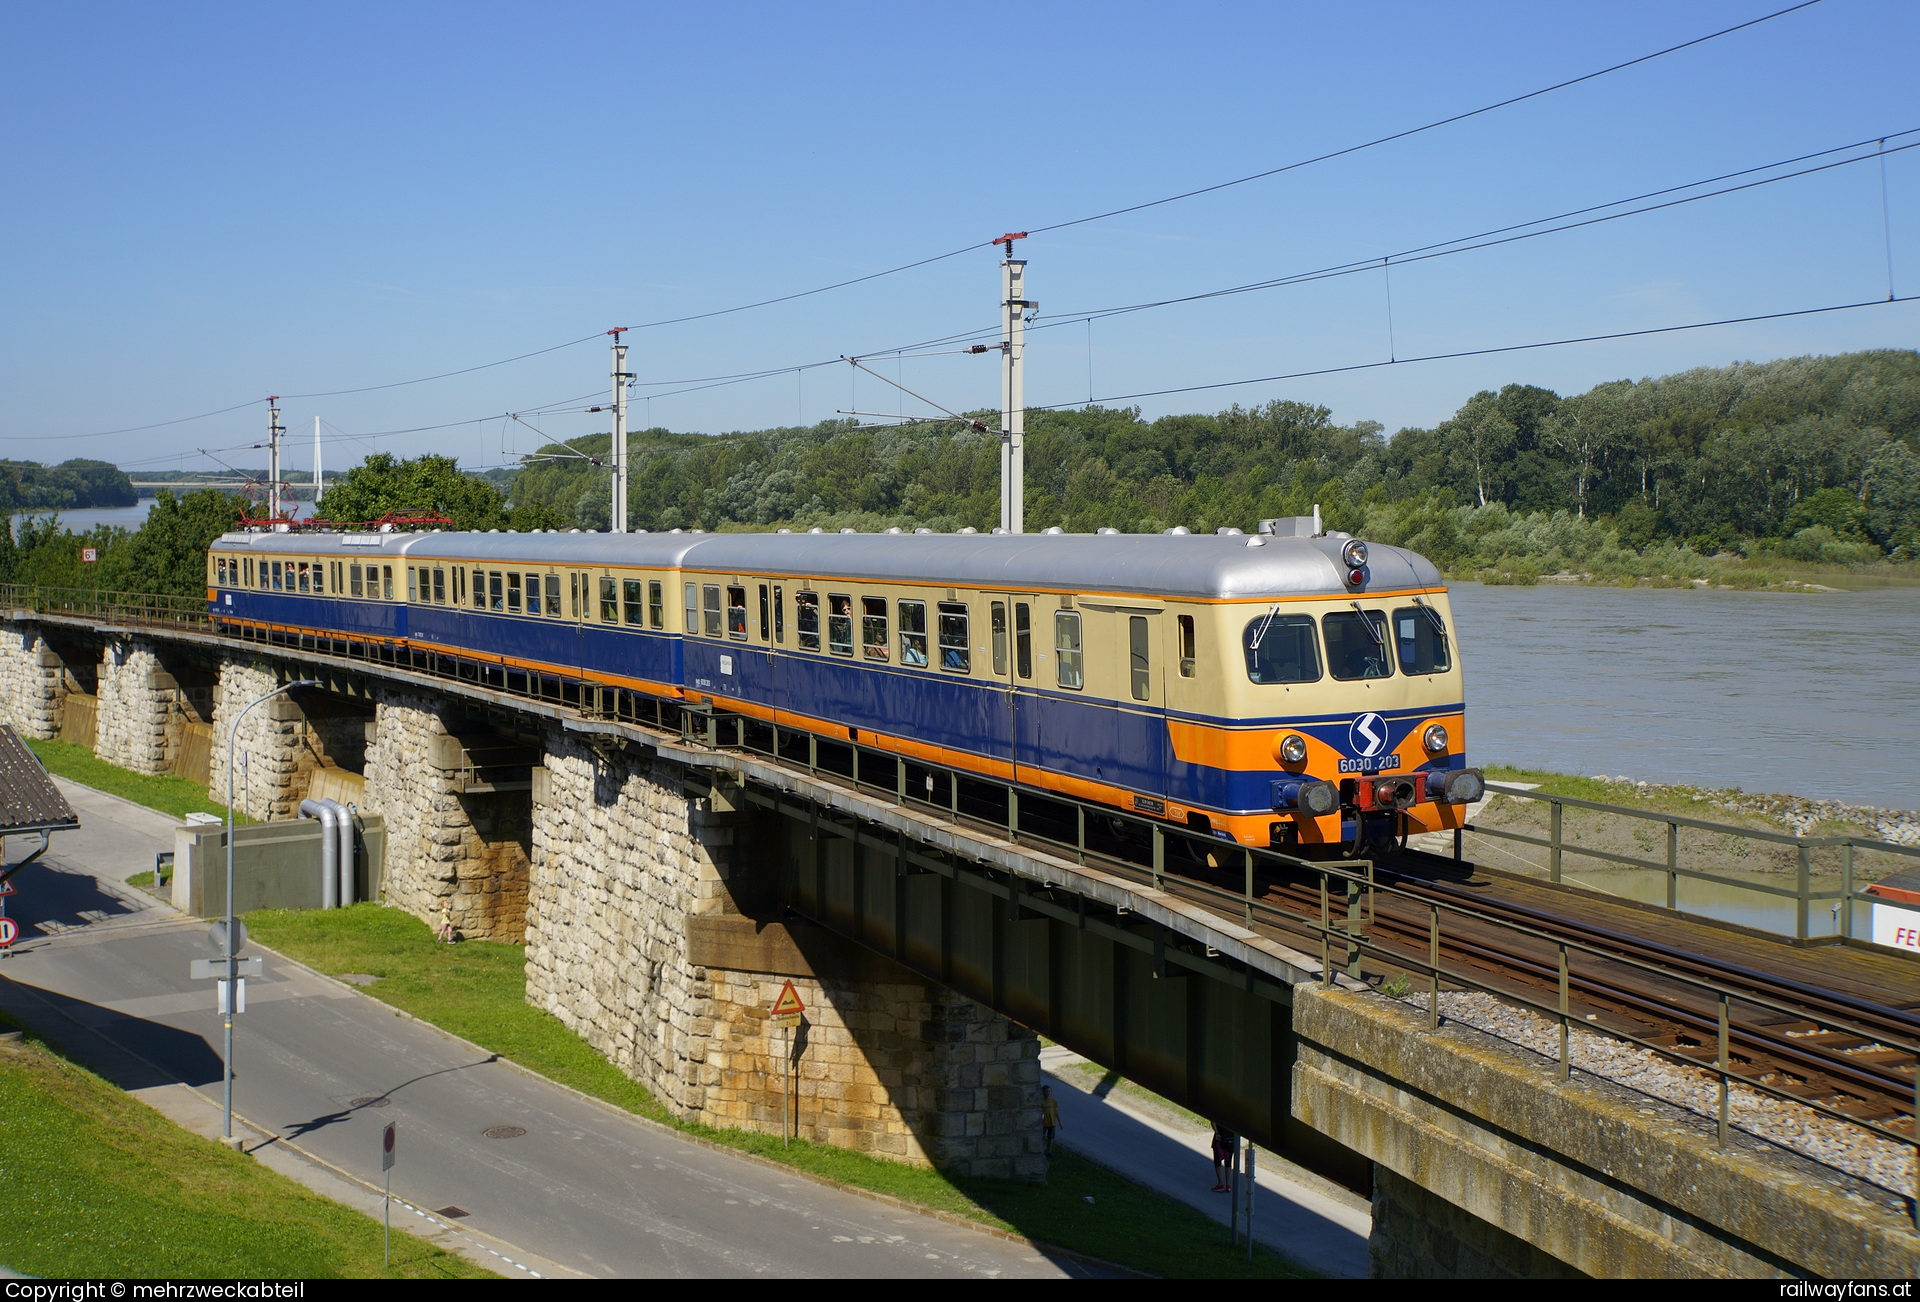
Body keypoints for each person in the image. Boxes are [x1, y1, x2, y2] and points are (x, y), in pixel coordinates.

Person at [1211, 1123, 1237, 1193]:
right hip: (1231, 1138)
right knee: (1228, 1162)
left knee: (1217, 1160)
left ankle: (1220, 1184)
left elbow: (1213, 1121)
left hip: (1219, 1137)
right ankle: (1228, 1185)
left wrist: (1216, 1133)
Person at [1039, 1085, 1060, 1157]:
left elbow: (1055, 1112)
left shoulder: (1053, 1101)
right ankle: (1041, 1150)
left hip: (1052, 1122)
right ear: (1043, 1092)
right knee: (1042, 1136)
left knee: (1050, 1138)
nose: (1048, 1093)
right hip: (1044, 1123)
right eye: (1046, 1091)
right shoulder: (1041, 1102)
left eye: (1049, 1091)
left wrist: (1059, 1122)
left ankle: (1049, 1152)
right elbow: (1040, 1112)